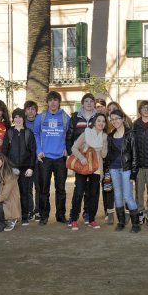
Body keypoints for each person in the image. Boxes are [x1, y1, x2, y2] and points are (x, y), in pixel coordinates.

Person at [33, 91, 70, 225]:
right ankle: (44, 215)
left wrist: (67, 148)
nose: (53, 103)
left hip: (60, 158)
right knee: (44, 189)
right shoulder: (41, 117)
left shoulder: (65, 117)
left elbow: (69, 135)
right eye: (51, 100)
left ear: (59, 102)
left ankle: (60, 215)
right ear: (47, 102)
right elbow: (36, 134)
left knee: (61, 189)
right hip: (45, 158)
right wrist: (39, 150)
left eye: (55, 100)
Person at [69, 114, 108, 230]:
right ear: (94, 122)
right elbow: (74, 148)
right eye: (99, 121)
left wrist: (104, 142)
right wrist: (81, 157)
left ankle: (91, 219)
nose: (101, 123)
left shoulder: (104, 136)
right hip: (83, 166)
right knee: (79, 192)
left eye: (103, 121)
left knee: (94, 194)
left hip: (96, 168)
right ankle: (74, 219)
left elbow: (104, 155)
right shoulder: (86, 133)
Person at [105, 110, 140, 232]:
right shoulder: (110, 136)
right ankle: (121, 222)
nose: (115, 121)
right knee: (118, 195)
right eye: (112, 119)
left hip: (126, 170)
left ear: (123, 118)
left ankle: (136, 224)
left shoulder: (131, 134)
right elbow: (108, 154)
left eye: (117, 118)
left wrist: (134, 174)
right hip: (114, 169)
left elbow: (135, 156)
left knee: (128, 196)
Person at [66, 93, 97, 224]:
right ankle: (73, 216)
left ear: (94, 103)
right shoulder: (75, 117)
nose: (89, 103)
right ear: (82, 103)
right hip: (79, 158)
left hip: (94, 158)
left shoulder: (99, 117)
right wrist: (71, 153)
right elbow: (69, 136)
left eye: (91, 101)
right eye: (86, 101)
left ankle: (88, 214)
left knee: (91, 190)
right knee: (79, 189)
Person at [2, 108, 36, 225]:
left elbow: (33, 152)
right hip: (12, 169)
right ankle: (13, 216)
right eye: (15, 117)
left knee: (25, 193)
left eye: (20, 117)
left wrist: (31, 168)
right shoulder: (9, 133)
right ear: (13, 119)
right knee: (11, 194)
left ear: (24, 118)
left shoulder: (28, 133)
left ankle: (25, 216)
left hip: (25, 169)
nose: (18, 119)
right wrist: (7, 168)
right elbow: (4, 153)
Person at [24, 100, 40, 221]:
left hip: (39, 160)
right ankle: (29, 209)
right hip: (27, 161)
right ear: (25, 111)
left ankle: (38, 210)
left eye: (33, 109)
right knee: (27, 188)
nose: (30, 111)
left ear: (36, 110)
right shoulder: (22, 123)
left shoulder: (41, 121)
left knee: (39, 187)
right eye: (28, 109)